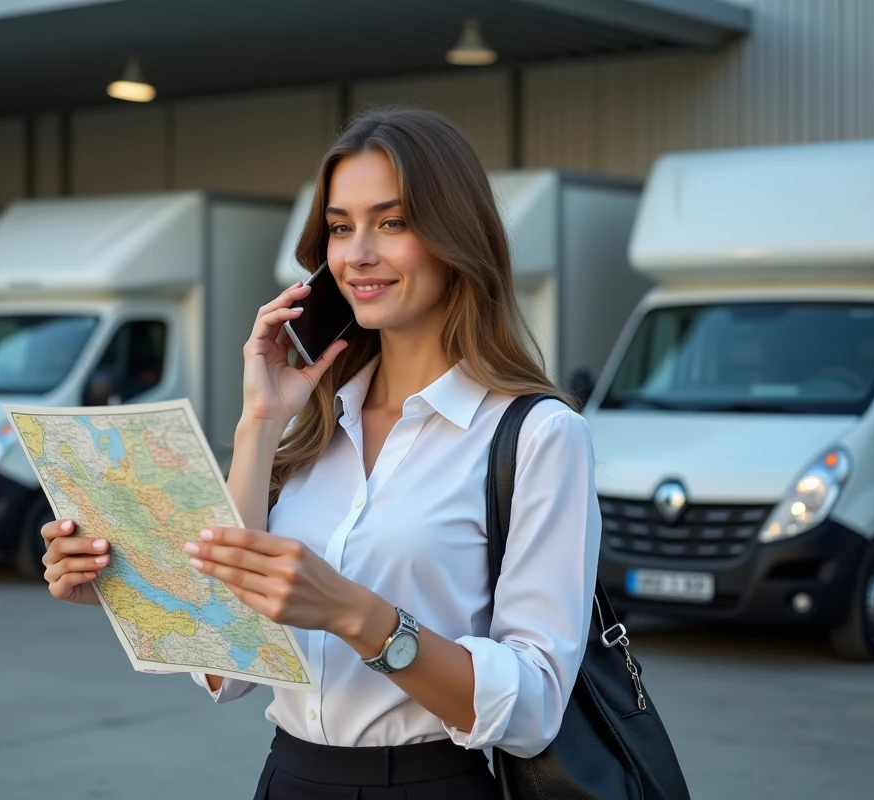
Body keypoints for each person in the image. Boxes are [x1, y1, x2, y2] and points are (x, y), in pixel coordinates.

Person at [39, 108, 601, 799]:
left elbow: (536, 708)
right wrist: (129, 580)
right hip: (289, 778)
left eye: (391, 223)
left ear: (457, 237)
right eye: (340, 227)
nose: (357, 254)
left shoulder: (538, 435)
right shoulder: (309, 430)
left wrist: (358, 617)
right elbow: (229, 671)